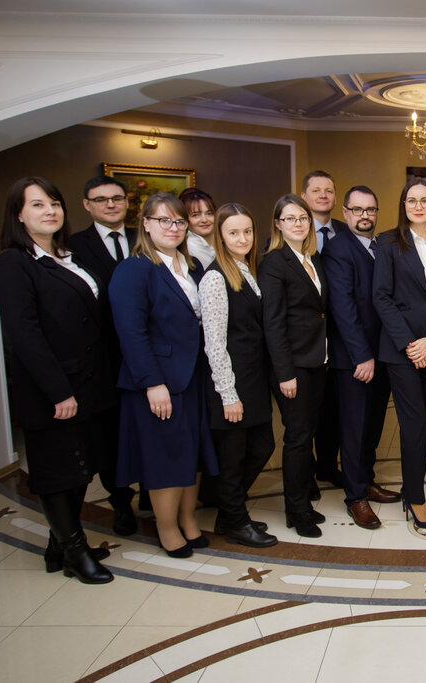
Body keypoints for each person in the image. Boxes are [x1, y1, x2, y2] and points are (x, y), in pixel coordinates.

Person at [0, 177, 116, 583]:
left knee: (81, 469)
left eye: (55, 203)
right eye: (38, 204)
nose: (50, 211)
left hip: (89, 384)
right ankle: (76, 553)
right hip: (54, 390)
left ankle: (57, 545)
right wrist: (58, 391)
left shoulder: (66, 257)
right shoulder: (13, 264)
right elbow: (24, 335)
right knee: (59, 472)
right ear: (18, 215)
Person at [109, 192, 218, 558]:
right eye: (164, 220)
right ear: (146, 224)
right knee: (166, 457)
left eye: (179, 221)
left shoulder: (192, 266)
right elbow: (131, 332)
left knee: (192, 452)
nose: (173, 228)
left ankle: (188, 519)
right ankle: (167, 527)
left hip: (193, 376)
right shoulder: (135, 269)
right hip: (159, 382)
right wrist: (152, 383)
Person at [373, 178, 426, 529]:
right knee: (412, 426)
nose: (418, 206)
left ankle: (411, 489)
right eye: (412, 200)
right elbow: (381, 297)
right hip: (401, 352)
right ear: (403, 205)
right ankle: (416, 499)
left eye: (425, 200)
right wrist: (412, 344)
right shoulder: (387, 243)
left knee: (424, 426)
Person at [198, 203, 278, 548]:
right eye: (233, 232)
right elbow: (214, 342)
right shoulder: (215, 278)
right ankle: (234, 520)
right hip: (231, 382)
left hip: (253, 379)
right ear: (220, 236)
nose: (242, 238)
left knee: (262, 446)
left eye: (247, 231)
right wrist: (228, 394)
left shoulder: (248, 269)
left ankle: (229, 512)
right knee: (233, 458)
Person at [322, 185, 402, 529]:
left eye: (370, 209)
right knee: (354, 429)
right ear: (345, 212)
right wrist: (362, 356)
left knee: (372, 424)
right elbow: (343, 308)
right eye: (357, 210)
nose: (364, 215)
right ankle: (355, 497)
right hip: (355, 359)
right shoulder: (338, 249)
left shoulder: (380, 245)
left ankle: (367, 481)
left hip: (381, 354)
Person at [67, 175, 139, 535]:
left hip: (146, 352)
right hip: (104, 357)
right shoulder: (73, 246)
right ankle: (121, 501)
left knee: (148, 426)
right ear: (87, 204)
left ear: (126, 202)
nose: (110, 204)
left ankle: (153, 492)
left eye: (116, 198)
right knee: (111, 434)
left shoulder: (145, 237)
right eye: (101, 199)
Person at [258, 193, 329, 538]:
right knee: (298, 438)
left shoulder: (311, 258)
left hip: (316, 360)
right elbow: (272, 323)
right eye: (290, 218)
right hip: (293, 367)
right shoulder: (274, 262)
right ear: (278, 224)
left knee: (307, 433)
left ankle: (303, 500)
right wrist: (284, 373)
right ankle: (296, 510)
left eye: (303, 218)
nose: (298, 224)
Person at [301, 170, 345, 490]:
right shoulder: (293, 233)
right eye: (316, 190)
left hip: (339, 336)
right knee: (306, 414)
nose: (323, 195)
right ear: (304, 196)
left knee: (334, 408)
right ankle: (306, 475)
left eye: (328, 190)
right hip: (306, 340)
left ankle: (328, 467)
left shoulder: (345, 231)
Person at [180, 188, 218, 269]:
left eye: (209, 213)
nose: (204, 220)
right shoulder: (190, 247)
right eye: (195, 215)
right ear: (185, 219)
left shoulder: (222, 238)